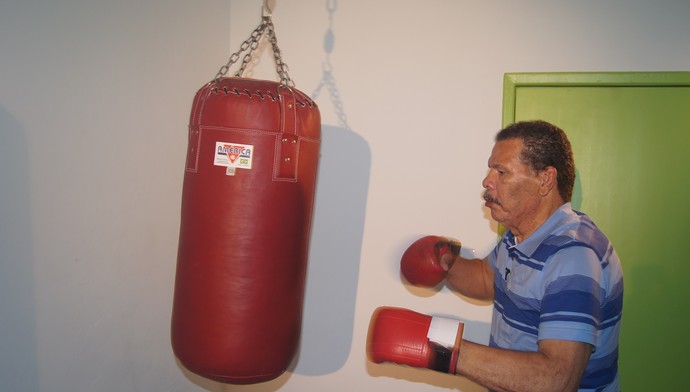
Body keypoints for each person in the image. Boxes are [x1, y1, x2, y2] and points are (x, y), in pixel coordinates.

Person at [368, 120, 623, 392]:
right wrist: (446, 264)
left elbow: (556, 379)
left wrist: (437, 346)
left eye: (501, 172)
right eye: (491, 169)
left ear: (545, 180)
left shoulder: (573, 257)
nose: (487, 181)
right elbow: (488, 277)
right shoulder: (519, 236)